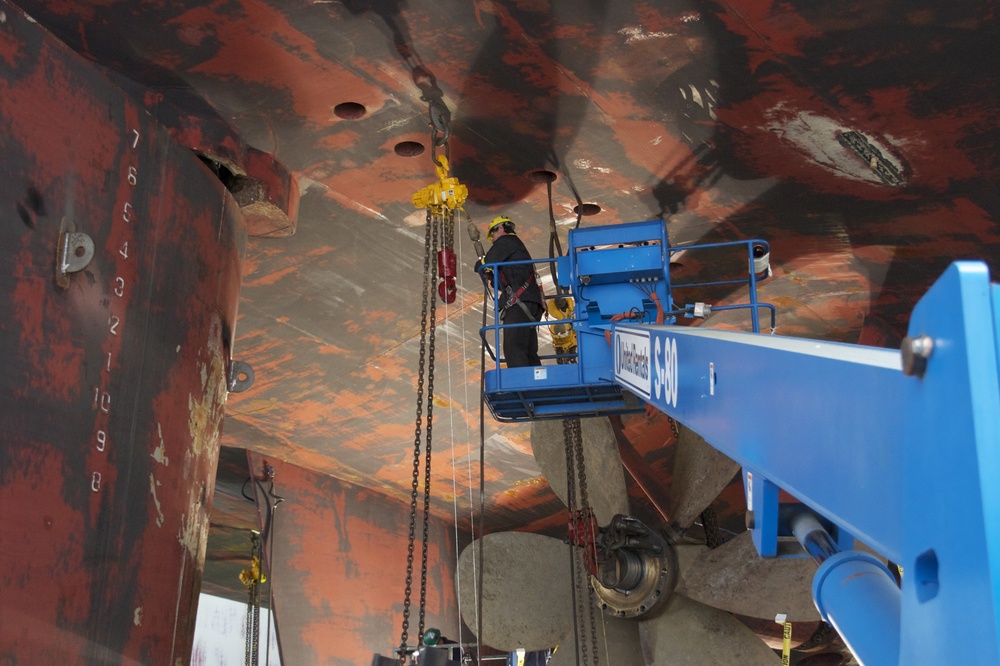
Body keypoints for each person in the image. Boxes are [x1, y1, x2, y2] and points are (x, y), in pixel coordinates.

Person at [474, 215, 544, 367]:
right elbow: (504, 283)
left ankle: (522, 383)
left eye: (493, 233)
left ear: (500, 228)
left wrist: (481, 265)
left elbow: (486, 261)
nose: (492, 239)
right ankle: (536, 380)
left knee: (513, 347)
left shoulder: (506, 241)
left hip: (520, 303)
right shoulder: (515, 250)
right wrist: (493, 277)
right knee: (528, 349)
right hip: (529, 302)